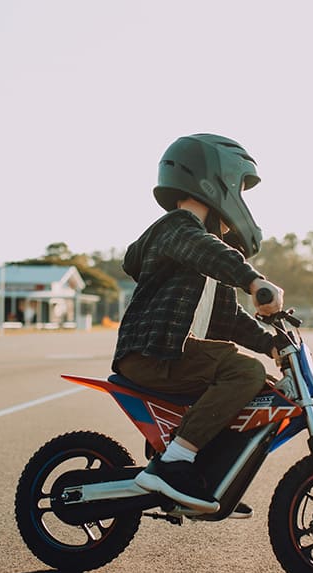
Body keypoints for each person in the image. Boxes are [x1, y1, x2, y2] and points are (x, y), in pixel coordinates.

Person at [114, 133, 284, 515]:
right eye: (240, 187)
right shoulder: (177, 228)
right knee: (243, 372)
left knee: (257, 385)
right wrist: (254, 281)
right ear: (215, 180)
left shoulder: (206, 251)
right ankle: (173, 464)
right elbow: (206, 249)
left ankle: (207, 474)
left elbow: (229, 319)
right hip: (152, 352)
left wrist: (272, 343)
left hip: (173, 355)